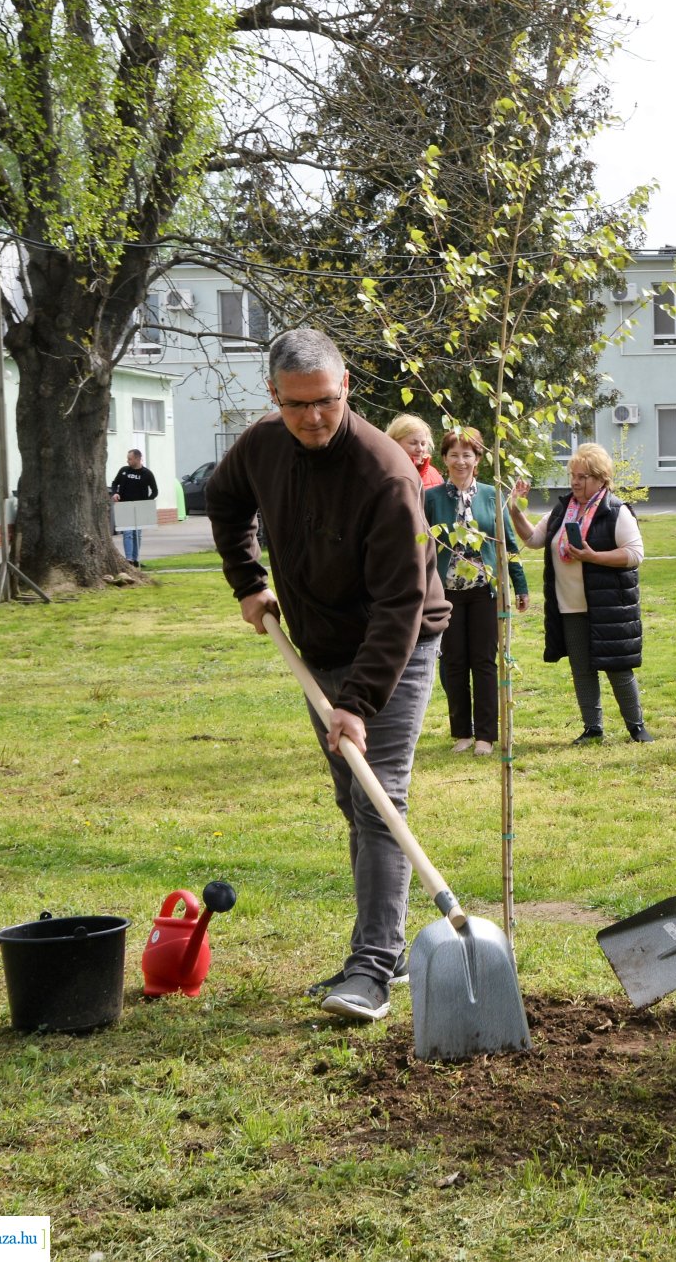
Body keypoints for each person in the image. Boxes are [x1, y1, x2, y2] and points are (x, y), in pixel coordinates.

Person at [206, 328, 450, 1022]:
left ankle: (371, 969)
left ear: (347, 388)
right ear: (274, 396)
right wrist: (248, 581)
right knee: (353, 797)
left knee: (378, 798)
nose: (314, 417)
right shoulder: (260, 446)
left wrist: (361, 704)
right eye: (298, 405)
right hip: (318, 645)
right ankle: (392, 946)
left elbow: (400, 602)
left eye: (328, 402)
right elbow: (224, 502)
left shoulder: (384, 472)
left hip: (396, 645)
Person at [508, 443, 653, 744]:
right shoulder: (562, 509)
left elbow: (635, 554)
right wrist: (514, 510)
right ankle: (593, 728)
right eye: (572, 475)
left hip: (607, 606)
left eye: (582, 476)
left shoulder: (616, 511)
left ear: (601, 478)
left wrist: (593, 556)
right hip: (569, 605)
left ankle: (636, 727)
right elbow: (535, 539)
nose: (575, 482)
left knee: (617, 669)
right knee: (582, 669)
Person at [424, 427, 528, 757]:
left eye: (467, 454)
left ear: (478, 460)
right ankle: (462, 733)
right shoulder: (431, 498)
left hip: (485, 591)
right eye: (453, 454)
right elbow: (422, 547)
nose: (460, 461)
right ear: (444, 459)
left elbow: (507, 545)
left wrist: (520, 585)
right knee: (453, 662)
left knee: (484, 662)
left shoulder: (491, 496)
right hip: (447, 594)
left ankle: (485, 735)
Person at [108, 448, 158, 565]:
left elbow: (155, 491)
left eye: (130, 459)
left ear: (137, 459)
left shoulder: (147, 474)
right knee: (127, 533)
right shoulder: (124, 471)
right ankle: (129, 559)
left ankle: (136, 559)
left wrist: (146, 502)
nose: (128, 461)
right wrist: (115, 493)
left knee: (137, 534)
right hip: (125, 506)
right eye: (127, 459)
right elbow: (115, 483)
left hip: (139, 507)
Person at [385, 414, 444, 490]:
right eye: (413, 443)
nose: (420, 449)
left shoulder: (434, 474)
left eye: (423, 444)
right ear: (395, 442)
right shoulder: (385, 472)